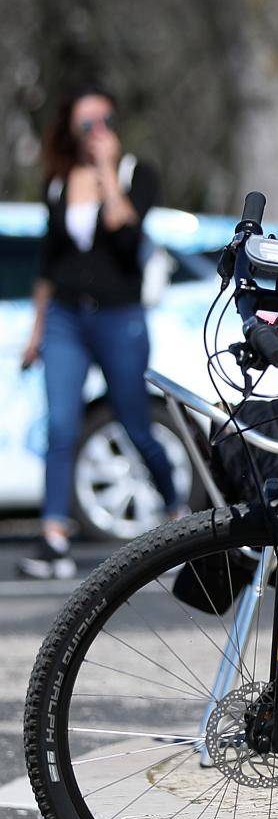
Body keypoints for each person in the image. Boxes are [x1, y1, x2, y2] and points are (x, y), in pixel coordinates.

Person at [18, 85, 180, 580]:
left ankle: (177, 512)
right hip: (68, 317)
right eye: (87, 124)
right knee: (62, 427)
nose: (97, 132)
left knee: (134, 423)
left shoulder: (135, 174)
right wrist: (37, 330)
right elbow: (50, 263)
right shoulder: (59, 182)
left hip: (119, 317)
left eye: (105, 120)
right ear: (72, 128)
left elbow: (125, 231)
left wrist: (108, 170)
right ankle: (53, 538)